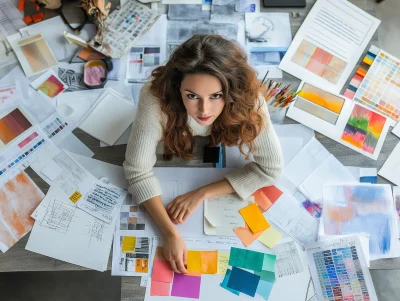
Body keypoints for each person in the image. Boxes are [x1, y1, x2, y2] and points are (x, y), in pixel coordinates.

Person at [123, 34, 284, 274]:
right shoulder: (155, 97)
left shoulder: (250, 99)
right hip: (176, 138)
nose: (204, 110)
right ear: (177, 87)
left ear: (232, 91)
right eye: (192, 96)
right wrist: (170, 234)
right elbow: (136, 171)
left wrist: (202, 193)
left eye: (216, 96)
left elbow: (271, 169)